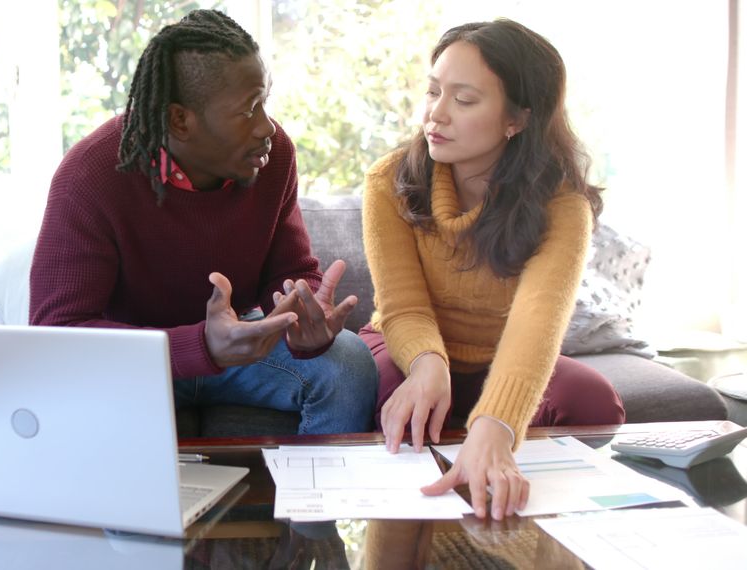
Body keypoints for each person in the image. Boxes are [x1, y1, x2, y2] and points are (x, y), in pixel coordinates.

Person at [31, 9, 378, 436]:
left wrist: (300, 316)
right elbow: (57, 335)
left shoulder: (271, 156)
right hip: (135, 360)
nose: (266, 127)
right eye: (248, 110)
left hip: (244, 348)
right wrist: (199, 346)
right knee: (59, 394)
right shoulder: (91, 176)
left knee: (350, 365)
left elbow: (289, 270)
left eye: (264, 103)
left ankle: (314, 501)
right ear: (181, 120)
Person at [358, 19, 625, 520]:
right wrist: (427, 363)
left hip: (496, 357)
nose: (435, 114)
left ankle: (504, 479)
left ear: (517, 119)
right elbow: (403, 306)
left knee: (592, 400)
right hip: (412, 344)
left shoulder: (562, 206)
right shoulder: (388, 181)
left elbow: (537, 322)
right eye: (433, 91)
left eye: (463, 100)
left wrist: (497, 423)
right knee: (388, 393)